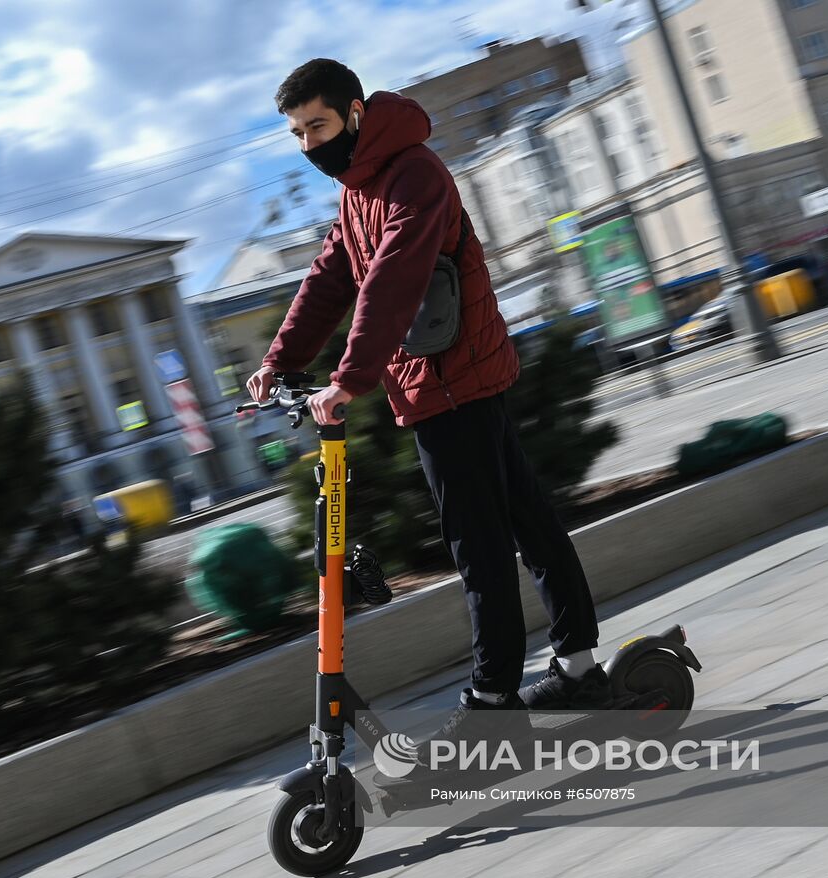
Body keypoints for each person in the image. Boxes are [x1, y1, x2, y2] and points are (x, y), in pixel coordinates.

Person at [246, 59, 632, 740]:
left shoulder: (414, 174)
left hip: (451, 384)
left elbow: (393, 280)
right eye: (299, 134)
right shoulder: (357, 190)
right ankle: (579, 667)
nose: (309, 144)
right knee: (528, 523)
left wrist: (350, 378)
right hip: (441, 382)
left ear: (356, 114)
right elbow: (332, 275)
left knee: (479, 547)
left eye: (319, 126)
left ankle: (493, 702)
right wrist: (280, 360)